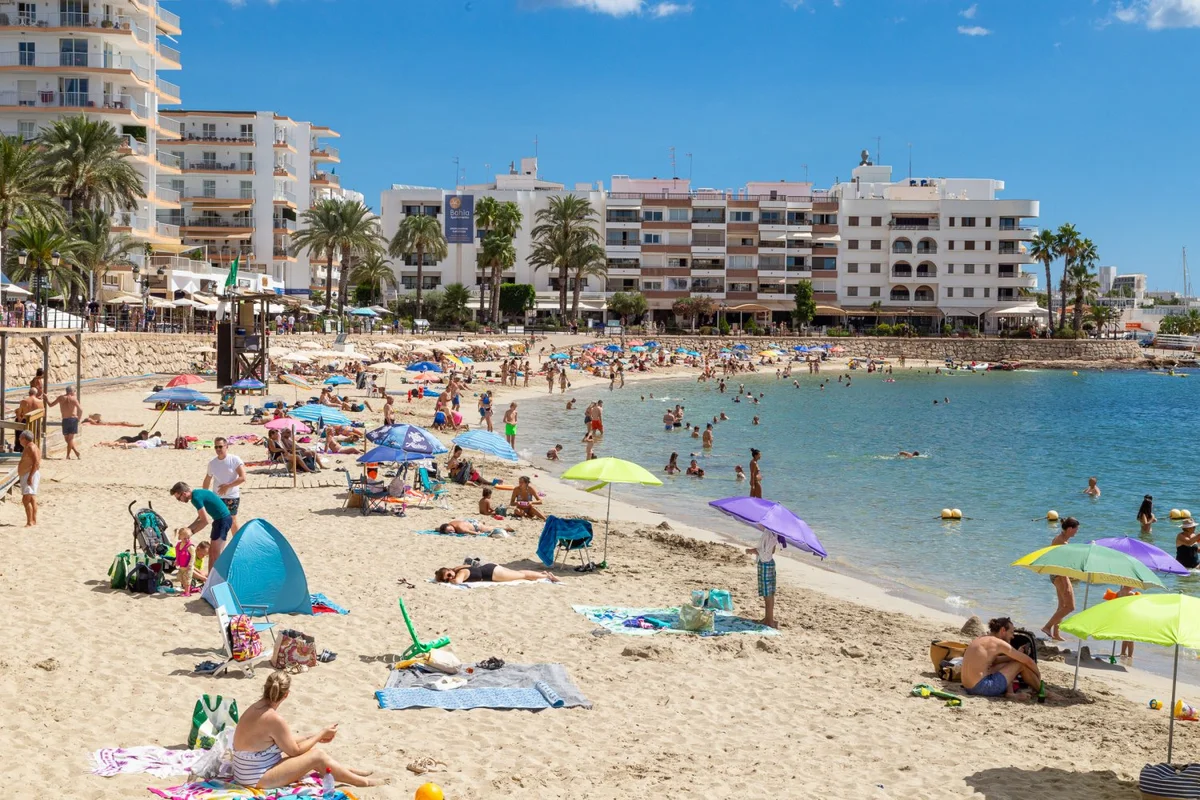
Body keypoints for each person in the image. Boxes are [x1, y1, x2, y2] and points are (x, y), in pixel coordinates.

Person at [231, 671, 380, 789]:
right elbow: (294, 751)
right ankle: (363, 782)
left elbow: (282, 742)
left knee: (311, 756)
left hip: (244, 771)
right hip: (255, 777)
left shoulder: (254, 708)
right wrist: (321, 734)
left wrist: (312, 736)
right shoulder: (274, 719)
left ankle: (349, 771)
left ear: (265, 688)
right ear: (287, 694)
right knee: (317, 756)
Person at [961, 617, 1041, 700]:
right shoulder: (998, 643)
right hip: (981, 687)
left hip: (968, 686)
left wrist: (1015, 656)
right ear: (1003, 630)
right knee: (1020, 664)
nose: (1013, 636)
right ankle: (1042, 691)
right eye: (1011, 632)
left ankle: (1010, 693)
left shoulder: (980, 639)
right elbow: (1028, 661)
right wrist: (1038, 675)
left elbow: (994, 661)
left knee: (1007, 664)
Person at [170, 481, 234, 567]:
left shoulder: (195, 498)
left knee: (216, 554)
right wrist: (186, 531)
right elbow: (199, 518)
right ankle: (210, 580)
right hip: (219, 520)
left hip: (223, 520)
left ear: (184, 494)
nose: (179, 501)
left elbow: (205, 521)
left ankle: (220, 578)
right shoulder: (196, 494)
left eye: (178, 498)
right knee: (212, 553)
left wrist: (189, 534)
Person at [1041, 517, 1080, 641]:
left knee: (1062, 605)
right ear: (1069, 529)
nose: (1076, 532)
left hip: (1056, 574)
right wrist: (1067, 583)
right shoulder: (1062, 543)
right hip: (1060, 575)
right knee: (1070, 606)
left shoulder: (1059, 538)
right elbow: (1061, 565)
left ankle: (1056, 634)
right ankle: (1047, 627)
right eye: (1076, 529)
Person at [203, 437, 246, 535]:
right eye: (216, 447)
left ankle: (237, 543)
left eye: (220, 446)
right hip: (217, 497)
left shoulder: (234, 459)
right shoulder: (212, 463)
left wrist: (228, 486)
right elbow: (207, 479)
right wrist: (204, 495)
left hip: (232, 496)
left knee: (232, 521)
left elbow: (243, 477)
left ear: (227, 447)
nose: (218, 449)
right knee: (218, 521)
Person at [745, 524, 779, 628]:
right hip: (769, 563)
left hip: (765, 564)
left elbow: (763, 552)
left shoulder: (768, 533)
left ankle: (769, 621)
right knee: (769, 594)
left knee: (767, 595)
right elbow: (772, 551)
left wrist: (751, 551)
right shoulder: (773, 533)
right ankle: (768, 618)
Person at [47, 385, 83, 459]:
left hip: (65, 420)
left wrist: (46, 398)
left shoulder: (61, 398)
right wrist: (78, 419)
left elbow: (50, 405)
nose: (75, 392)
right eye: (74, 391)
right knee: (68, 440)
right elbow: (81, 410)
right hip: (72, 420)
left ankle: (68, 455)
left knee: (68, 439)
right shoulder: (74, 399)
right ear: (71, 391)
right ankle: (76, 452)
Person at [435, 563, 560, 584]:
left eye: (449, 575)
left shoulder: (460, 573)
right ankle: (541, 573)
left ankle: (547, 576)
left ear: (450, 570)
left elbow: (458, 582)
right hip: (490, 568)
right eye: (447, 579)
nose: (450, 578)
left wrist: (451, 580)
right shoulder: (458, 568)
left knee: (523, 575)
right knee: (519, 573)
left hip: (492, 574)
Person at [17, 430, 40, 527]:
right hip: (29, 474)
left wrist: (30, 476)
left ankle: (29, 522)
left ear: (24, 439)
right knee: (32, 498)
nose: (19, 440)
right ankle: (33, 520)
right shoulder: (30, 446)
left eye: (20, 438)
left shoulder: (31, 447)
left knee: (26, 499)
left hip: (29, 474)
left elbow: (36, 463)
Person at [435, 519, 514, 536]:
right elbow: (439, 528)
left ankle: (506, 528)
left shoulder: (460, 528)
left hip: (475, 526)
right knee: (488, 527)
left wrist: (478, 533)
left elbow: (471, 532)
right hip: (469, 521)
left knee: (490, 528)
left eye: (451, 530)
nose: (451, 532)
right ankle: (482, 522)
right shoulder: (449, 524)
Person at [175, 528, 195, 596]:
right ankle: (189, 589)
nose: (186, 539)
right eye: (184, 538)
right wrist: (176, 561)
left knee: (187, 579)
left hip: (188, 566)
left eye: (188, 538)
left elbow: (193, 556)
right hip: (182, 566)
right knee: (181, 577)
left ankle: (187, 593)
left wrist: (190, 564)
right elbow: (178, 554)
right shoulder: (179, 545)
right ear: (180, 536)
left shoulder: (190, 546)